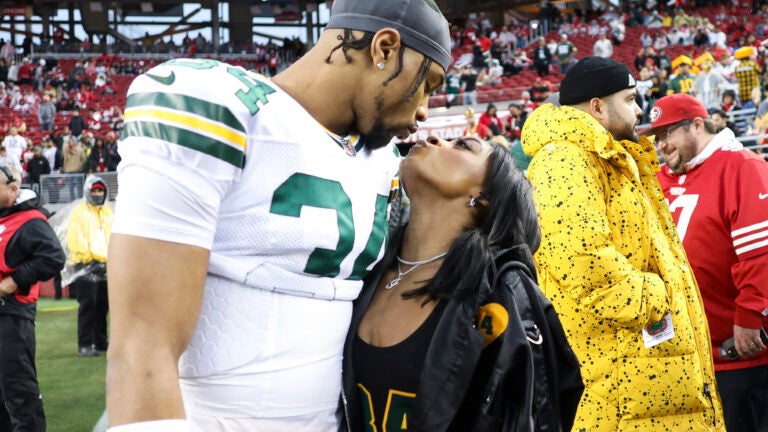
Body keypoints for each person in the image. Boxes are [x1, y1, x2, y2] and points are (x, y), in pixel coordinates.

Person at [105, 0, 452, 430]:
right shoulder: (215, 106)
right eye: (428, 83)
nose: (424, 110)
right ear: (383, 48)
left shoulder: (382, 164)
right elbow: (142, 342)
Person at [521, 56, 726, 430]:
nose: (639, 109)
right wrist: (654, 298)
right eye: (630, 99)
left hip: (641, 369)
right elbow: (583, 262)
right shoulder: (564, 159)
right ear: (597, 107)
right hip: (620, 380)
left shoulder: (607, 156)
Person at [341, 135, 582, 431]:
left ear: (483, 197)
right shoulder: (362, 267)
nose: (433, 137)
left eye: (462, 146)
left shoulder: (503, 295)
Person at [650, 93, 768, 432]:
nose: (661, 145)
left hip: (738, 354)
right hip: (685, 354)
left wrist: (749, 315)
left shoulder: (742, 166)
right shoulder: (661, 179)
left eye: (667, 133)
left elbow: (759, 252)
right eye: (657, 138)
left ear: (697, 124)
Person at [0, 164, 66, 431]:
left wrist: (14, 281)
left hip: (11, 314)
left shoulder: (30, 220)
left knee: (19, 392)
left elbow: (53, 257)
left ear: (13, 189)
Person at [66, 176, 112, 357]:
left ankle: (100, 341)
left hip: (106, 264)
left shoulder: (108, 212)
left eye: (100, 190)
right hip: (85, 264)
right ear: (87, 191)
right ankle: (84, 344)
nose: (98, 194)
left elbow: (112, 236)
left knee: (103, 305)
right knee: (88, 305)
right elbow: (75, 238)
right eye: (94, 190)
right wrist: (88, 258)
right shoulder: (79, 212)